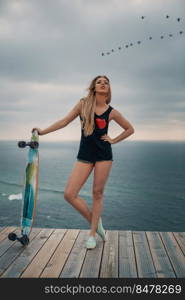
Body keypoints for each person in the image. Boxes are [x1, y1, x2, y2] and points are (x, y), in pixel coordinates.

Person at [32, 75, 134, 249]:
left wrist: (114, 140)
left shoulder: (112, 112)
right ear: (94, 87)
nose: (103, 84)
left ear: (108, 89)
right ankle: (96, 222)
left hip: (104, 155)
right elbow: (64, 122)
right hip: (85, 154)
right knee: (69, 194)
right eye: (99, 82)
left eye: (106, 82)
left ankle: (92, 234)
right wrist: (43, 132)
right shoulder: (83, 104)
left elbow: (130, 129)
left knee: (97, 193)